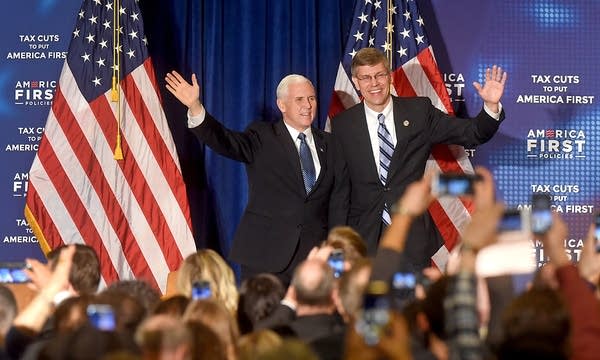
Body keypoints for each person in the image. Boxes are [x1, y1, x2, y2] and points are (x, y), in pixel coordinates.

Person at [331, 47, 507, 270]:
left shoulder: (418, 112)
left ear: (390, 76)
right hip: (363, 236)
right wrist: (336, 248)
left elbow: (471, 133)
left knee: (412, 303)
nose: (374, 83)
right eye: (366, 77)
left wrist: (490, 106)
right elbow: (340, 192)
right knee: (369, 303)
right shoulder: (343, 125)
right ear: (356, 82)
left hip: (411, 235)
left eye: (379, 75)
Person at [165, 71, 346, 284]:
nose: (307, 105)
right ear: (282, 105)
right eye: (299, 99)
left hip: (315, 259)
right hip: (266, 257)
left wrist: (335, 252)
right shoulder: (263, 136)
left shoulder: (331, 144)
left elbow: (339, 202)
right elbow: (226, 141)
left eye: (311, 98)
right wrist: (195, 107)